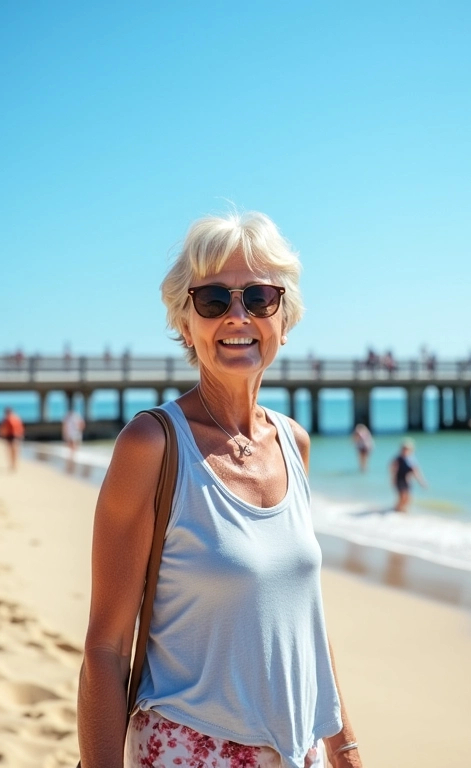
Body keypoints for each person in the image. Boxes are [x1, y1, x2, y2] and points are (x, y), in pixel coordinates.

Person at [78, 212, 362, 768]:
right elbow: (105, 649)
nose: (238, 315)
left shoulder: (294, 444)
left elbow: (303, 624)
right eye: (212, 300)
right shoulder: (152, 445)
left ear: (285, 319)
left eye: (260, 297)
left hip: (299, 750)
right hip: (190, 750)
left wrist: (344, 748)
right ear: (185, 325)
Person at [390, 439, 427, 513]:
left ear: (411, 450)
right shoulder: (398, 459)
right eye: (404, 449)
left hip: (407, 481)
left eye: (407, 449)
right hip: (399, 480)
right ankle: (398, 509)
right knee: (402, 496)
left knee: (408, 497)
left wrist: (421, 482)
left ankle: (401, 509)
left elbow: (416, 472)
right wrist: (393, 479)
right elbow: (392, 469)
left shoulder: (412, 460)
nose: (405, 451)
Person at [0, 407, 24, 471]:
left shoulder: (7, 419)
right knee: (15, 450)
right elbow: (21, 427)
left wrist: (2, 434)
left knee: (11, 450)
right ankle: (14, 464)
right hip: (15, 435)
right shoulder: (16, 418)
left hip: (11, 435)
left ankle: (12, 464)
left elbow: (3, 428)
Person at [62, 407, 86, 473]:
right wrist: (79, 430)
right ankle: (73, 460)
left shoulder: (69, 417)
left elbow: (65, 426)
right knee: (74, 448)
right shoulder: (77, 416)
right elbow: (82, 424)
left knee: (72, 448)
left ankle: (72, 459)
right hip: (75, 434)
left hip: (72, 434)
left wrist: (65, 434)